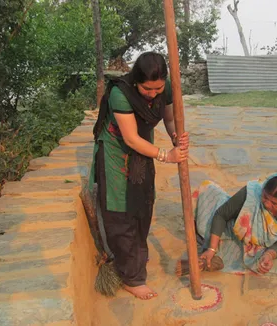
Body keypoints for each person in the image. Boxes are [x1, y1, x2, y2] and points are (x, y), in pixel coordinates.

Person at [88, 52, 190, 300]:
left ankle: (136, 257)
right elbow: (131, 138)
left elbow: (168, 119)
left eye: (158, 88)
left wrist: (177, 135)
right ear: (136, 81)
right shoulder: (120, 94)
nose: (153, 94)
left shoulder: (164, 90)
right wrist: (167, 155)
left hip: (142, 152)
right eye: (147, 89)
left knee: (143, 203)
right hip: (116, 154)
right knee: (121, 210)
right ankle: (131, 277)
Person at [190, 172, 277, 276]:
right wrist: (211, 249)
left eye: (274, 203)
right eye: (265, 197)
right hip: (232, 229)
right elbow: (221, 215)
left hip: (259, 247)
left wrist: (269, 256)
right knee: (208, 218)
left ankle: (222, 257)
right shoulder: (251, 194)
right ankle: (214, 252)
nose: (267, 204)